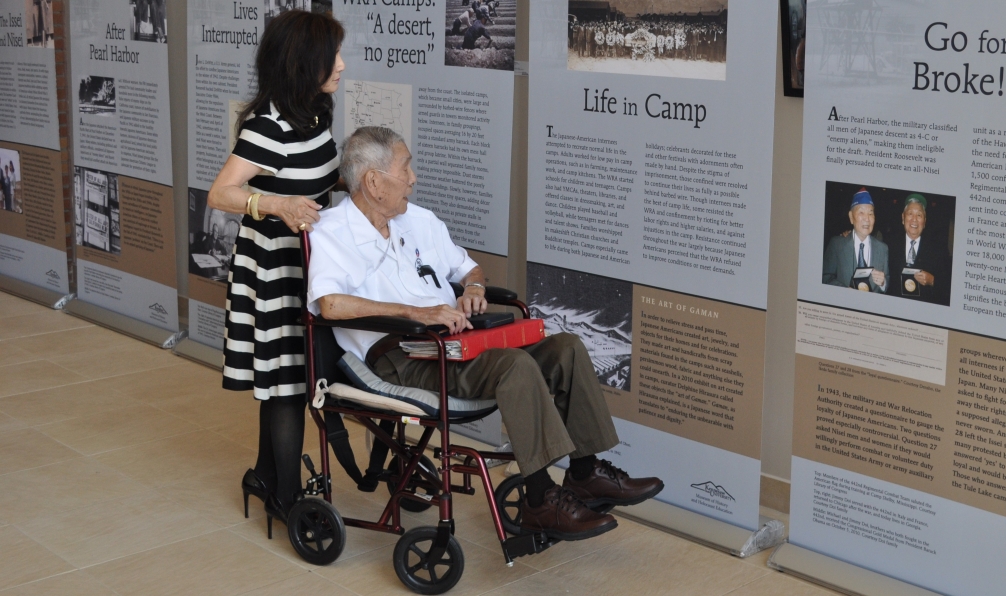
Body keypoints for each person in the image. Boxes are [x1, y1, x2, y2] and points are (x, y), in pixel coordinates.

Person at [307, 127, 664, 541]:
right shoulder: (331, 230)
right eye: (406, 168)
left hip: (452, 342)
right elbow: (330, 305)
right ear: (373, 181)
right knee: (514, 366)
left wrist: (474, 288)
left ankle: (585, 474)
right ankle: (539, 500)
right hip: (402, 355)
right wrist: (415, 311)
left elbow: (468, 269)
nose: (413, 178)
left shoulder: (417, 221)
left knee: (566, 347)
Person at [206, 10, 345, 526]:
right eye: (333, 56)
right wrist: (276, 205)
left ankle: (266, 476)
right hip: (273, 273)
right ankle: (285, 500)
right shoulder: (269, 127)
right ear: (304, 61)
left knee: (293, 377)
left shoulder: (313, 114)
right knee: (286, 383)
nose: (342, 65)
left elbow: (320, 179)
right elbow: (222, 192)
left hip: (307, 266)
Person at [887, 194, 950, 305]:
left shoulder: (939, 250)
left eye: (919, 215)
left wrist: (933, 281)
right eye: (910, 214)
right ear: (903, 218)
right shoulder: (889, 245)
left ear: (924, 221)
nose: (914, 220)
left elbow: (948, 288)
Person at [822, 188, 888, 292]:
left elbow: (887, 279)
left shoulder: (883, 248)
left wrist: (883, 282)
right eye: (861, 212)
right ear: (851, 217)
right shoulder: (836, 244)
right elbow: (825, 277)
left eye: (871, 213)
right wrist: (845, 291)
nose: (867, 218)